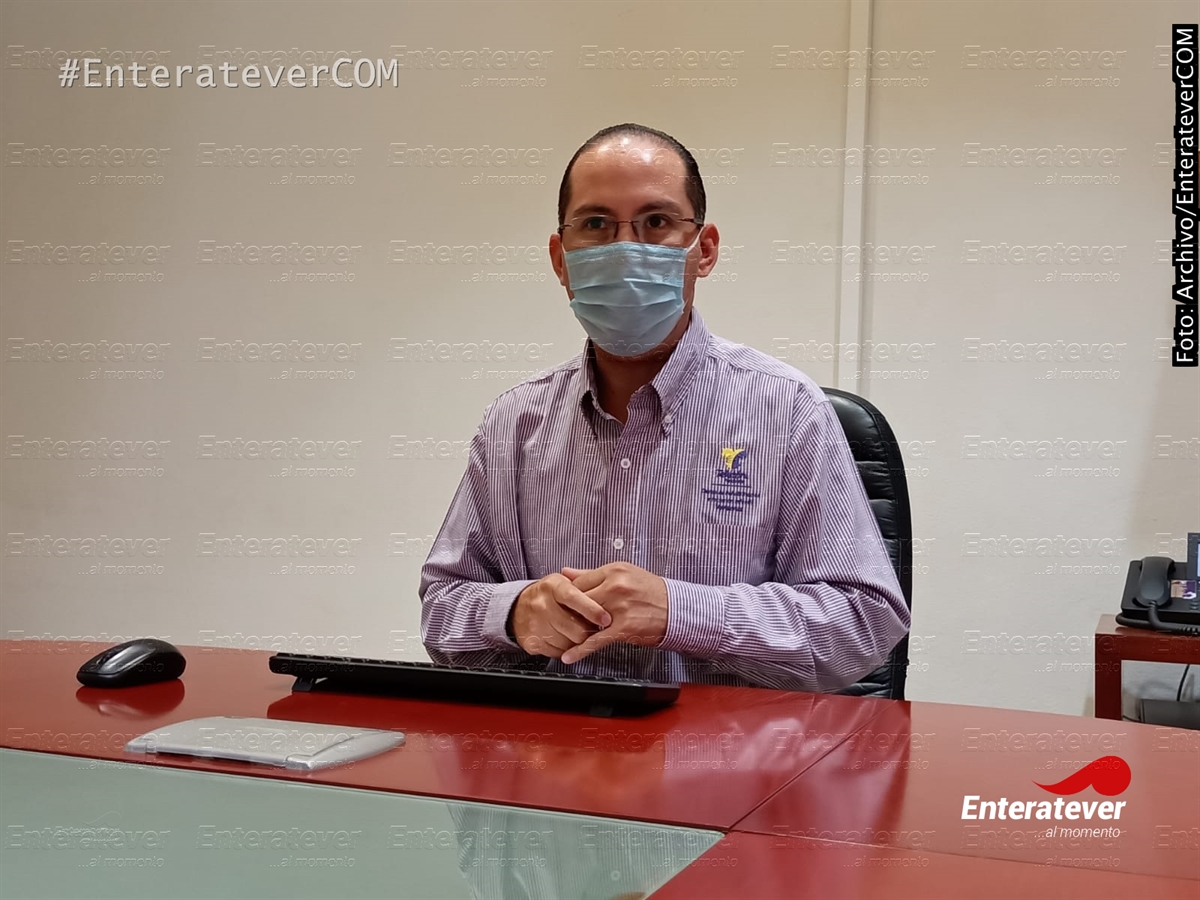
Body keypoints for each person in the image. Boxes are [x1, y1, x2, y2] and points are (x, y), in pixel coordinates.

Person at [419, 123, 909, 691]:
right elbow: (442, 609)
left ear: (705, 250)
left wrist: (682, 613)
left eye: (656, 222)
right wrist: (513, 613)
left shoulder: (787, 410)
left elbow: (863, 622)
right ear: (560, 258)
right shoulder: (513, 423)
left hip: (728, 747)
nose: (625, 250)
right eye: (596, 224)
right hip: (556, 742)